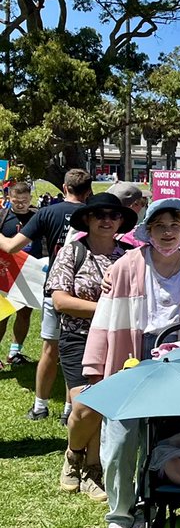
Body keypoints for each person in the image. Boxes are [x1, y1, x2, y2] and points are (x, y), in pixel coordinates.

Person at [84, 198, 180, 528]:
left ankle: (147, 506)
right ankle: (120, 512)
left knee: (162, 439)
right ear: (148, 231)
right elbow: (105, 318)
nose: (168, 233)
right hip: (129, 357)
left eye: (175, 226)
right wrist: (95, 368)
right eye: (160, 226)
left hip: (177, 358)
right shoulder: (126, 267)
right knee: (121, 437)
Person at [49, 192, 137, 501]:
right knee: (87, 404)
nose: (107, 220)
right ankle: (73, 454)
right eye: (99, 214)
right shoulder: (73, 252)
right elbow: (60, 300)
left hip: (119, 339)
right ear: (87, 219)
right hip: (78, 339)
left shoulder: (131, 254)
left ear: (121, 222)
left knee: (106, 403)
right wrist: (104, 307)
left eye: (113, 215)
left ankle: (91, 467)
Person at [0, 168, 92, 422]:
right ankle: (69, 409)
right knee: (78, 352)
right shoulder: (94, 215)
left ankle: (40, 406)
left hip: (56, 288)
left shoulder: (47, 213)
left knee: (49, 349)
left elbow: (11, 246)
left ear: (64, 188)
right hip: (86, 293)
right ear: (88, 192)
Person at [0, 180, 38, 368]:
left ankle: (15, 353)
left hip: (28, 273)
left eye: (24, 200)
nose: (21, 204)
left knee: (24, 314)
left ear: (30, 198)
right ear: (9, 198)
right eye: (16, 201)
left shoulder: (38, 216)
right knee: (2, 314)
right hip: (4, 274)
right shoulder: (2, 216)